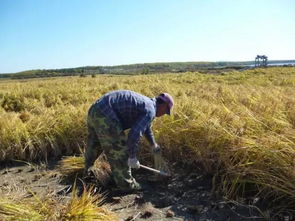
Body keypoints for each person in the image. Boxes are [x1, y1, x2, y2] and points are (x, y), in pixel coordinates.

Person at [84, 90, 174, 192]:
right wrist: (132, 157)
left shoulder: (147, 104)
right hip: (106, 116)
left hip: (95, 110)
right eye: (166, 111)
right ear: (163, 105)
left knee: (94, 144)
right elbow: (133, 135)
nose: (163, 114)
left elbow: (146, 128)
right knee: (119, 152)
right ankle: (126, 185)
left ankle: (87, 173)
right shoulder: (150, 110)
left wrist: (153, 144)